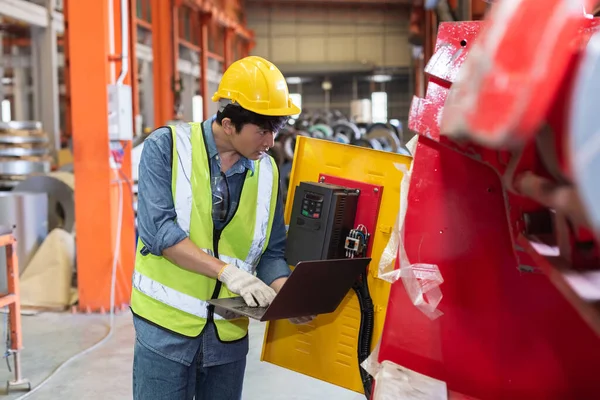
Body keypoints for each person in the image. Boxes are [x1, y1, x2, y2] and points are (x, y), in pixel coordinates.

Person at [130, 56, 311, 400]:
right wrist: (227, 273)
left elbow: (272, 252)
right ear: (228, 124)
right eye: (262, 131)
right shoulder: (166, 147)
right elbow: (160, 233)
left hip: (227, 336)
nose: (271, 142)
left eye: (276, 130)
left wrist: (289, 296)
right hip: (166, 331)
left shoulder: (268, 172)